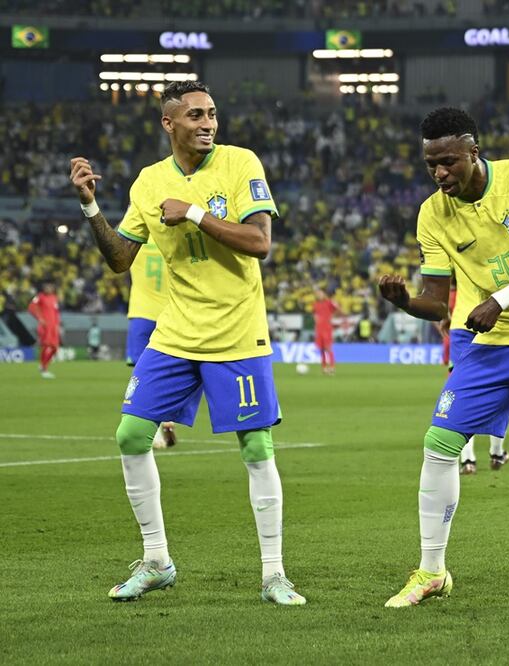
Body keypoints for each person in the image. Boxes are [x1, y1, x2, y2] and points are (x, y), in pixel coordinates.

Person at [69, 80, 305, 605]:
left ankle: (273, 574)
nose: (207, 123)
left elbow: (261, 242)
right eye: (195, 115)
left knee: (256, 446)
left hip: (237, 332)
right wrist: (90, 207)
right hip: (175, 331)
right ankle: (156, 560)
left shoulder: (241, 163)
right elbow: (119, 259)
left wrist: (196, 213)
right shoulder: (149, 183)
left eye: (212, 113)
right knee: (130, 435)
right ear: (168, 123)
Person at [379, 107, 509, 612]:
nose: (440, 174)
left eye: (449, 161)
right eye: (431, 164)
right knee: (439, 443)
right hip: (488, 344)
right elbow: (437, 299)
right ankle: (432, 571)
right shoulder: (433, 212)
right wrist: (405, 301)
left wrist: (501, 300)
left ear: (473, 152)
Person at [440, 274, 509, 474]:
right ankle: (497, 452)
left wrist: (447, 317)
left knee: (460, 392)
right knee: (504, 389)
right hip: (495, 320)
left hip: (462, 324)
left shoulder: (456, 252)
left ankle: (467, 460)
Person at [127, 242, 180, 449]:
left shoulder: (134, 243)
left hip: (141, 314)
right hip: (170, 313)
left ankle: (153, 430)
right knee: (169, 372)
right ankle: (167, 418)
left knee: (141, 376)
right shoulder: (170, 241)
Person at [28, 282, 60, 379]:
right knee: (46, 346)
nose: (48, 289)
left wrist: (57, 324)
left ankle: (43, 366)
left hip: (54, 327)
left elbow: (56, 312)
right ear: (43, 289)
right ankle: (44, 369)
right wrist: (40, 318)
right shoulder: (40, 297)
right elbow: (31, 307)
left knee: (55, 348)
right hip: (45, 326)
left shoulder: (54, 298)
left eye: (50, 287)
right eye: (46, 287)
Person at [312, 286, 339, 375]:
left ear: (324, 294)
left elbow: (337, 309)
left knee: (328, 348)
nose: (319, 295)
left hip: (327, 328)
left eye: (320, 293)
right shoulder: (315, 304)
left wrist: (331, 316)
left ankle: (332, 367)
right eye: (318, 294)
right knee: (322, 349)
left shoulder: (329, 302)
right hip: (319, 329)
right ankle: (324, 368)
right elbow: (314, 314)